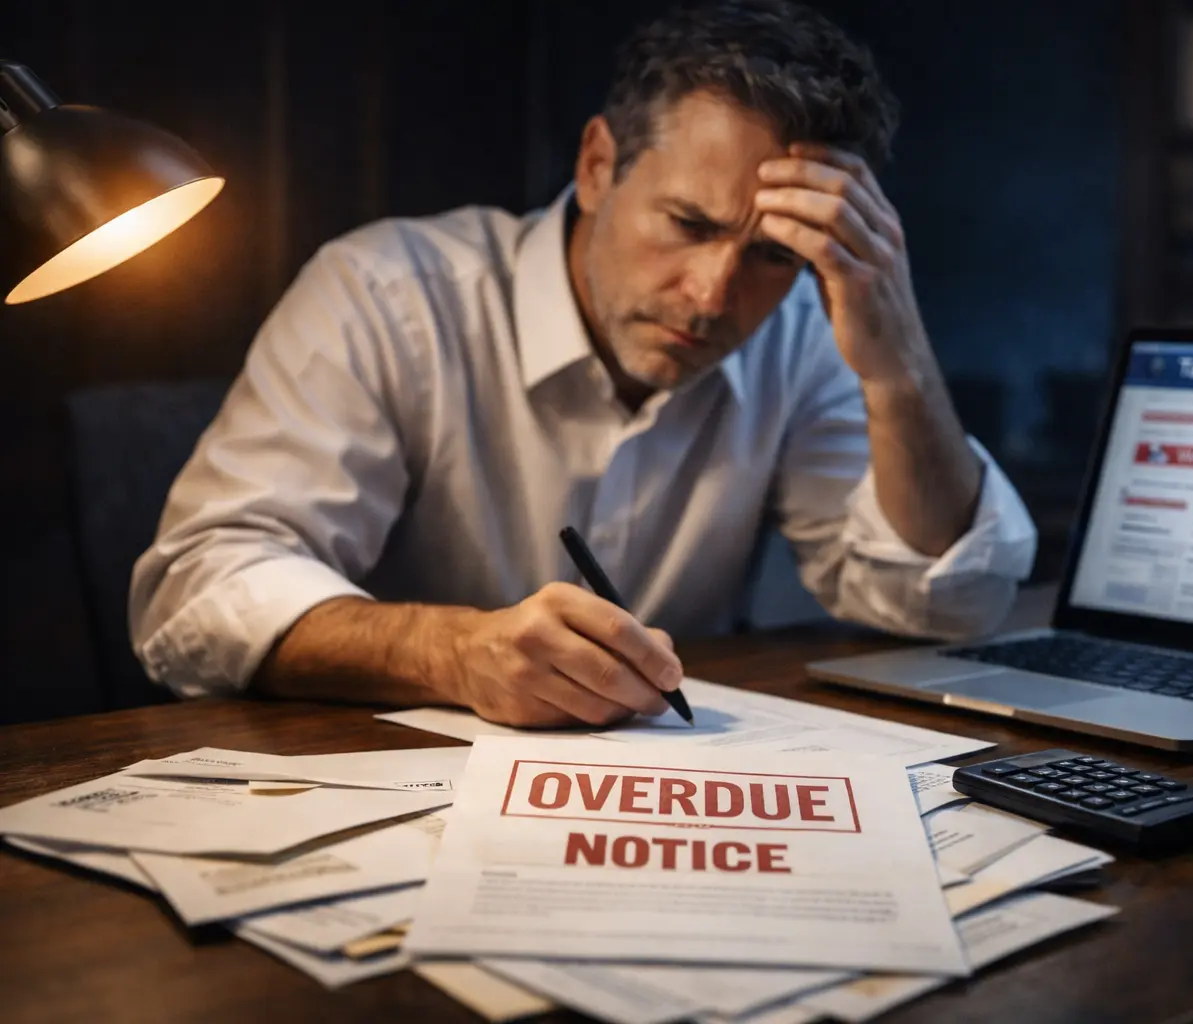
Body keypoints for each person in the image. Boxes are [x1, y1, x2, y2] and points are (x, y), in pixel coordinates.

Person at [129, 0, 1037, 728]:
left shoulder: (800, 328)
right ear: (600, 164)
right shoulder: (387, 293)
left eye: (773, 255)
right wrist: (455, 652)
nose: (714, 295)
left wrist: (899, 367)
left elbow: (945, 601)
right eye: (689, 224)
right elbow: (201, 588)